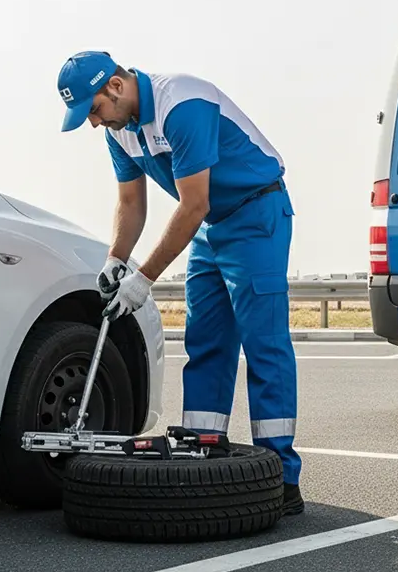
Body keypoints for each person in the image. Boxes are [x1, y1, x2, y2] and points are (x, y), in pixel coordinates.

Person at [56, 50, 303, 515]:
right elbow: (131, 204)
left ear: (114, 86)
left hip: (255, 214)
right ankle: (205, 453)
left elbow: (192, 204)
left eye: (93, 109)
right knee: (206, 340)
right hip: (210, 228)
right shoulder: (120, 132)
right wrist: (116, 259)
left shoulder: (182, 103)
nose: (93, 122)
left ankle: (281, 476)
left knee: (263, 344)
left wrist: (143, 279)